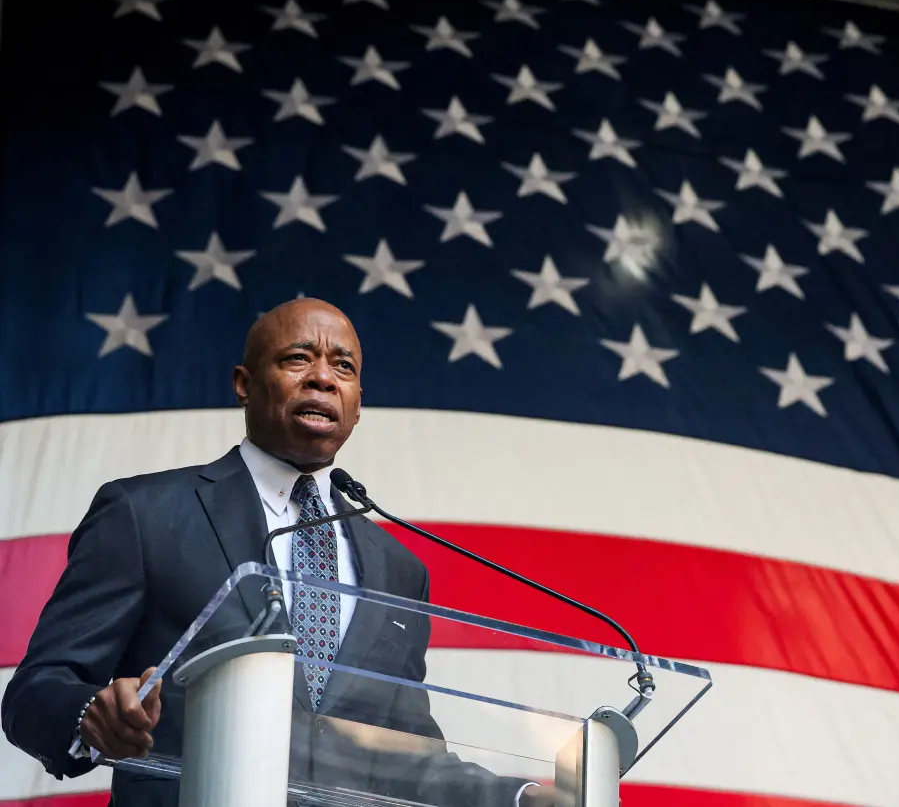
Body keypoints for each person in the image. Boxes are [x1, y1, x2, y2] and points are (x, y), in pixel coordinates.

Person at [2, 298, 548, 807]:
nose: (322, 379)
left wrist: (525, 798)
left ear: (357, 405)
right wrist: (88, 715)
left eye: (344, 368)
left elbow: (407, 759)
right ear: (244, 384)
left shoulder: (399, 570)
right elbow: (34, 691)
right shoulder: (146, 515)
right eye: (297, 359)